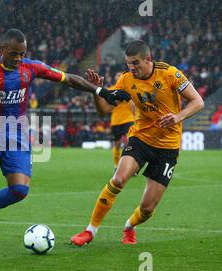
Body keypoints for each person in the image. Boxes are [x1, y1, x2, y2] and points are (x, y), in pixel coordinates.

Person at [0, 28, 131, 251]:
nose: (19, 58)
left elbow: (68, 79)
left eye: (22, 53)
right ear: (1, 50)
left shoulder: (31, 67)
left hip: (18, 131)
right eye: (14, 54)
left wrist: (101, 91)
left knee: (19, 191)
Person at [71, 40, 204, 246]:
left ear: (148, 60)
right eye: (128, 64)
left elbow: (198, 101)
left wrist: (178, 117)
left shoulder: (170, 74)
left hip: (168, 147)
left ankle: (129, 227)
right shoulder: (125, 80)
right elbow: (104, 110)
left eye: (135, 63)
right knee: (118, 179)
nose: (131, 68)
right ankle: (90, 231)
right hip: (140, 138)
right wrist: (95, 92)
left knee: (147, 208)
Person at [92, 72, 135, 169]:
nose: (119, 77)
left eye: (121, 76)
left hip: (129, 119)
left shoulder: (131, 89)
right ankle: (117, 165)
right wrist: (95, 93)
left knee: (131, 141)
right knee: (117, 144)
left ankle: (130, 166)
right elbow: (104, 108)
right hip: (115, 121)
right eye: (117, 75)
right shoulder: (111, 90)